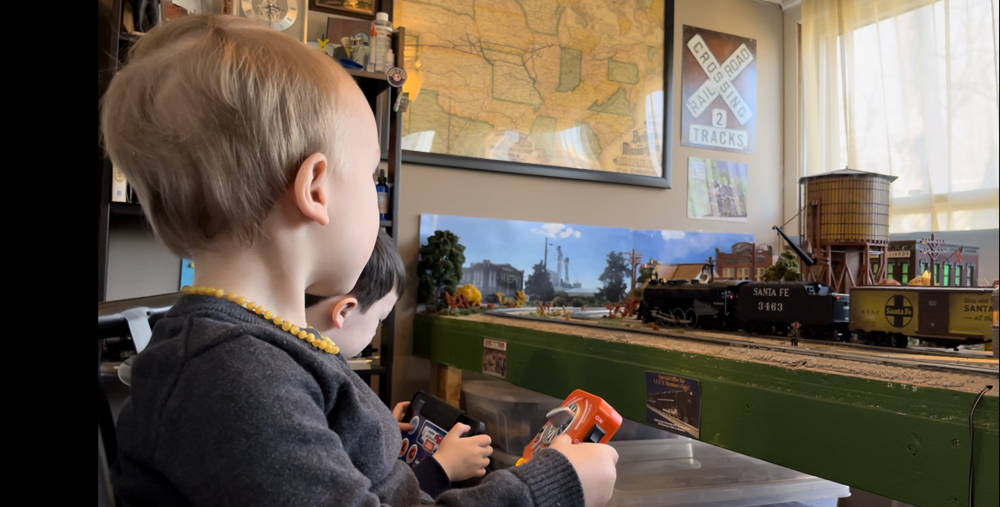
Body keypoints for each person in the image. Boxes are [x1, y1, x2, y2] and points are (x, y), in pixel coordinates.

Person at [101, 14, 617, 507]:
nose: (377, 196)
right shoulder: (230, 378)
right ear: (316, 189)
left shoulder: (261, 353)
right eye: (372, 177)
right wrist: (549, 489)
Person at [305, 230, 491, 499]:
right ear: (344, 312)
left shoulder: (302, 362)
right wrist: (443, 468)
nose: (376, 330)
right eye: (380, 319)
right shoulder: (319, 377)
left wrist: (376, 434)